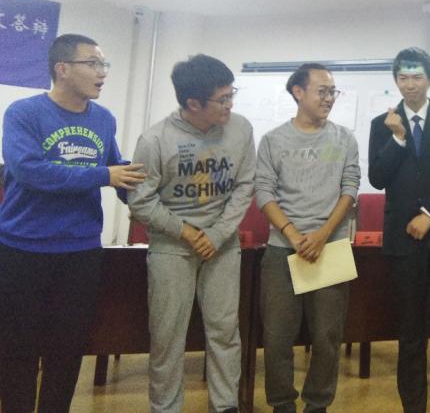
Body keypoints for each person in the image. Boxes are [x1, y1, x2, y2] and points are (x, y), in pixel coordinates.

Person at [0, 33, 146, 413]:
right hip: (23, 249)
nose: (102, 73)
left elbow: (115, 170)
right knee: (18, 349)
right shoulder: (23, 113)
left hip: (80, 252)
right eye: (93, 64)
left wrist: (147, 196)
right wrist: (105, 175)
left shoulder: (103, 119)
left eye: (104, 65)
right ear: (62, 69)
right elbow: (31, 171)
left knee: (67, 350)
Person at [127, 54, 256, 413]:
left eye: (232, 95)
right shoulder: (155, 139)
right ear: (193, 103)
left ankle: (225, 405)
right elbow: (141, 201)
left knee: (224, 331)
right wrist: (184, 231)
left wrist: (217, 234)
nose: (230, 105)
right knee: (167, 336)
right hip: (171, 248)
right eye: (222, 99)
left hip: (222, 246)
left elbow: (245, 186)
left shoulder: (241, 129)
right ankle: (165, 407)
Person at [368, 47, 430, 413]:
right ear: (396, 80)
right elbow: (377, 178)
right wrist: (397, 139)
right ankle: (413, 405)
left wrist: (429, 213)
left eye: (417, 77)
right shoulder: (383, 123)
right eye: (403, 78)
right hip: (403, 241)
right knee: (409, 331)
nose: (410, 85)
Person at [256, 63, 360, 413]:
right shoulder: (273, 140)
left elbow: (350, 188)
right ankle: (282, 403)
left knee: (328, 336)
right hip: (282, 249)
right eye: (322, 91)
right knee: (276, 336)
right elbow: (264, 192)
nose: (329, 98)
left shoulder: (344, 138)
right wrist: (293, 234)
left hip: (330, 246)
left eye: (333, 91)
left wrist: (322, 235)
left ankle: (318, 404)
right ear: (298, 92)